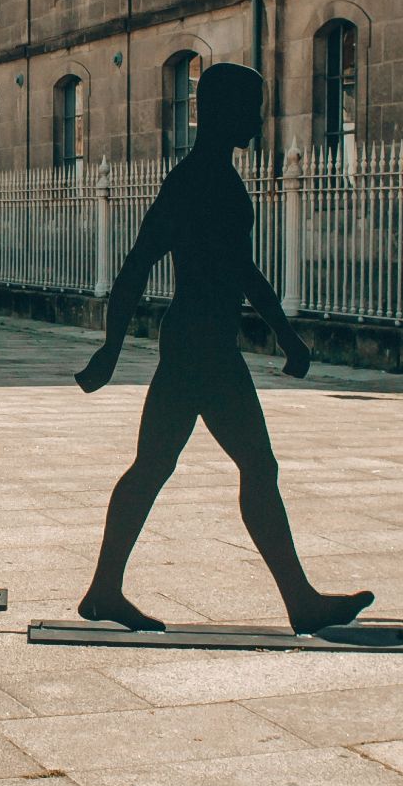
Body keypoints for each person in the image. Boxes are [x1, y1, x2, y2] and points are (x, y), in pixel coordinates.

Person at [74, 62, 372, 635]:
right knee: (253, 467)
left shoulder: (205, 177)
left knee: (158, 466)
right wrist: (109, 348)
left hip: (197, 341)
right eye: (250, 106)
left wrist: (285, 333)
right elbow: (142, 265)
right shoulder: (200, 180)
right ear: (220, 111)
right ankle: (300, 601)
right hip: (202, 349)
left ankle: (105, 589)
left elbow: (235, 269)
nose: (257, 119)